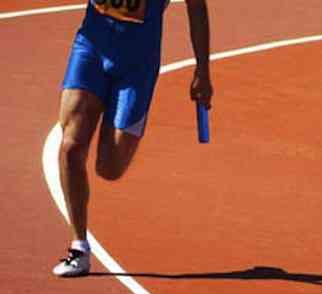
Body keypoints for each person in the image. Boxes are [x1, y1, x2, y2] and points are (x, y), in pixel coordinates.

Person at [52, 0, 213, 277]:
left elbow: (196, 7)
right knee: (70, 147)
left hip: (137, 66)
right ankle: (79, 247)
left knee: (109, 168)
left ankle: (126, 117)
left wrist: (202, 71)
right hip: (90, 50)